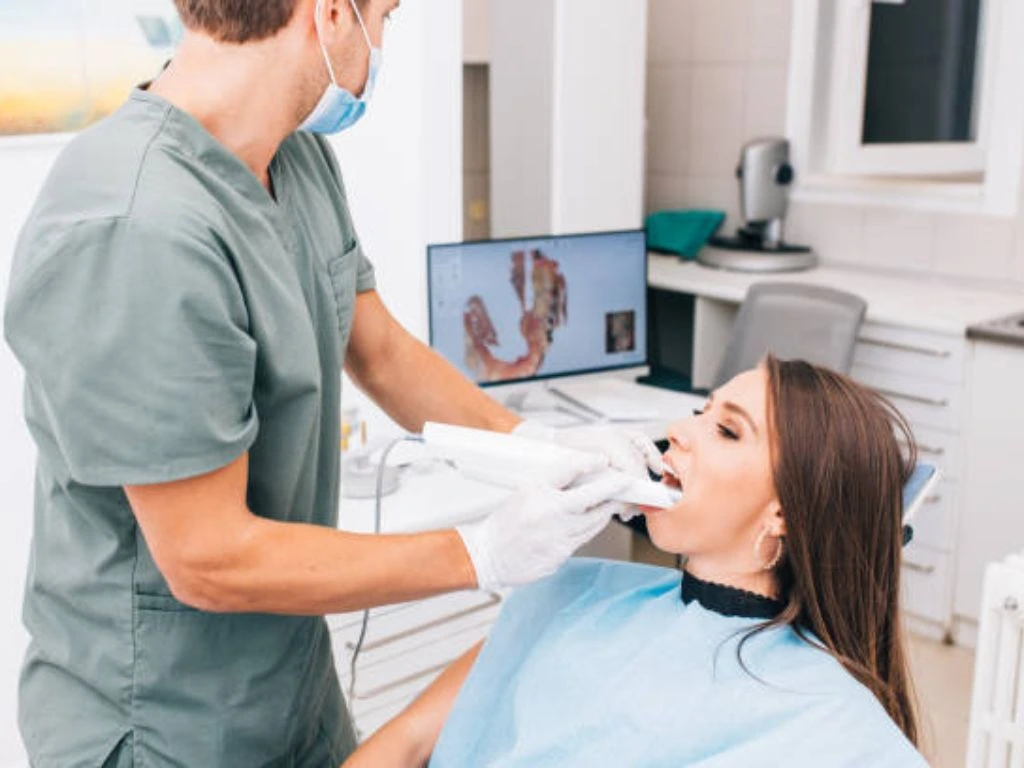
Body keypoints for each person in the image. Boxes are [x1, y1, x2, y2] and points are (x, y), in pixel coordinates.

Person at [1, 1, 661, 765]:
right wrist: (479, 552)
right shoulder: (137, 225)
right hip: (163, 719)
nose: (382, 41)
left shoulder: (296, 157)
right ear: (330, 13)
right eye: (385, 15)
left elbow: (378, 350)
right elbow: (207, 559)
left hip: (288, 687)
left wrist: (540, 448)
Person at [343, 356, 930, 767]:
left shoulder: (824, 716)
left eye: (726, 431)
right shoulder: (571, 592)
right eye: (702, 410)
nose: (679, 430)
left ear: (785, 515)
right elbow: (409, 740)